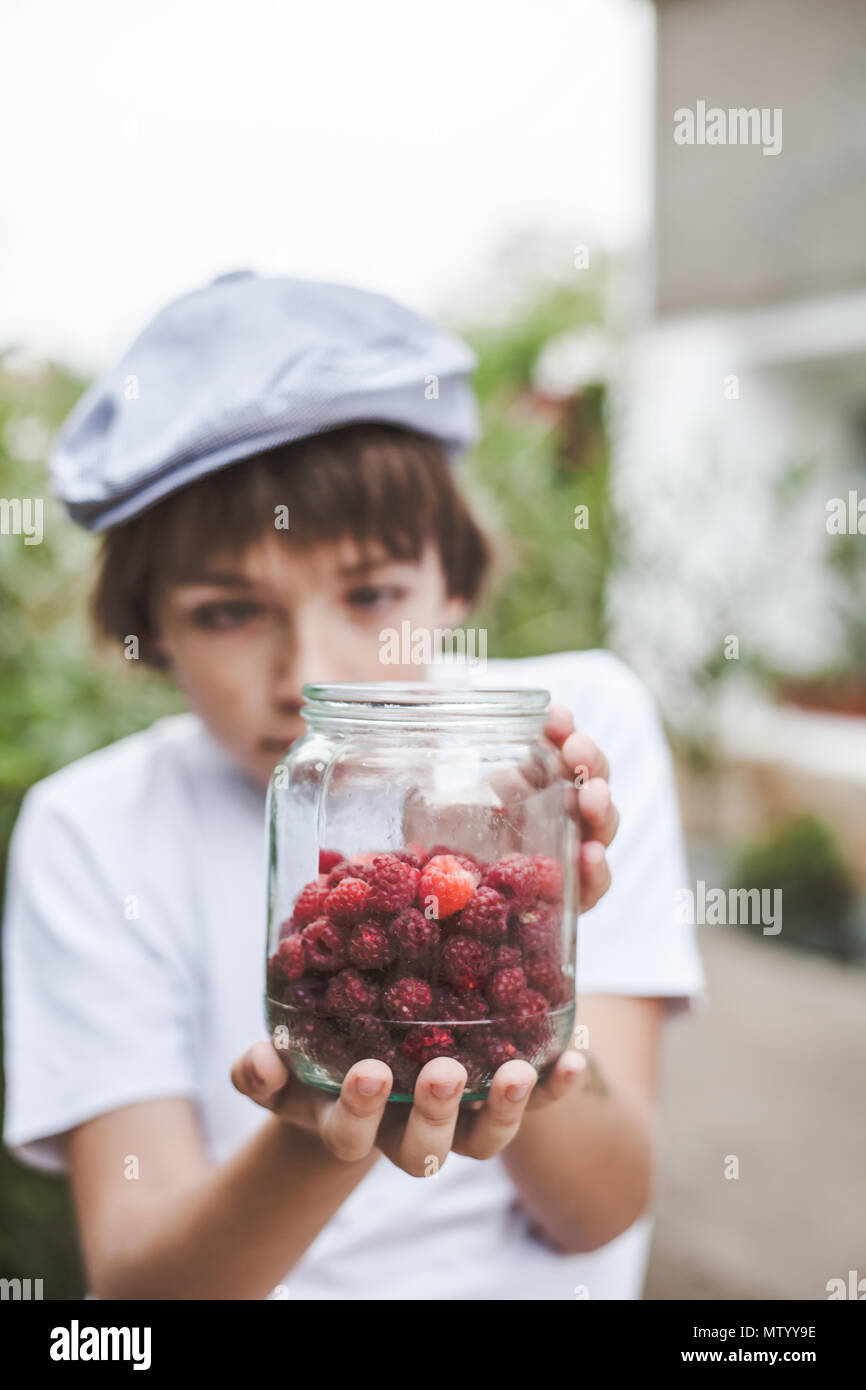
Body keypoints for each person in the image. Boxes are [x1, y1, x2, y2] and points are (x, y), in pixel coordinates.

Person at [2, 272, 705, 1300]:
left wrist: (531, 951)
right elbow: (140, 1295)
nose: (307, 673)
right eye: (228, 611)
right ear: (144, 627)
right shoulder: (91, 831)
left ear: (452, 580)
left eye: (371, 594)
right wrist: (328, 1113)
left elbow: (599, 1207)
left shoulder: (566, 739)